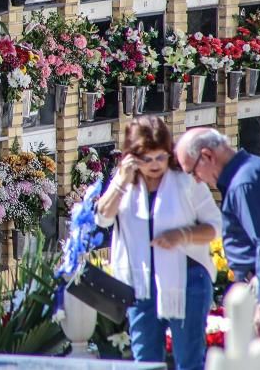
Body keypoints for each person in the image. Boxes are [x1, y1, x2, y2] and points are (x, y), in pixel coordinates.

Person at [95, 116, 222, 370]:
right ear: (132, 157)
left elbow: (215, 226)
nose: (155, 165)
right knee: (144, 361)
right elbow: (102, 218)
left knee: (189, 360)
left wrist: (181, 235)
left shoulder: (186, 181)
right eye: (147, 159)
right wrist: (121, 181)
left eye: (160, 157)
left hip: (188, 280)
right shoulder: (125, 184)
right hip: (140, 286)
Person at [174, 127, 260, 336]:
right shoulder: (255, 169)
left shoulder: (245, 182)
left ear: (207, 156)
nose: (196, 179)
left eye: (193, 171)